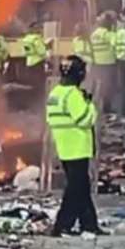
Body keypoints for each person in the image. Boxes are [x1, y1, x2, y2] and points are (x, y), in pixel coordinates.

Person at [46, 56, 102, 236]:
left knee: (81, 188)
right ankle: (62, 225)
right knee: (75, 190)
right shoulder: (73, 95)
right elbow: (86, 119)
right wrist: (90, 104)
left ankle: (89, 225)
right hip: (78, 146)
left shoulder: (55, 93)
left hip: (64, 145)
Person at [89, 13, 117, 113]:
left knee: (97, 85)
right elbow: (115, 43)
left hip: (97, 62)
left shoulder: (94, 34)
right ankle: (107, 108)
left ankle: (93, 105)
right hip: (108, 63)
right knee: (108, 86)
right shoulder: (107, 34)